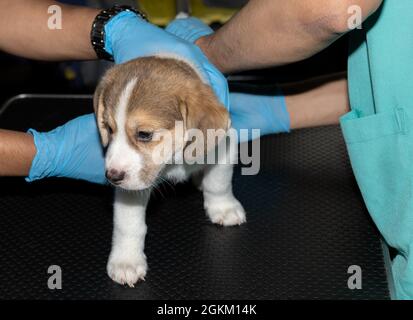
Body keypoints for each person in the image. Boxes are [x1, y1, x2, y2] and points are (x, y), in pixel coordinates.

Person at [7, 0, 413, 300]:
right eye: (109, 129)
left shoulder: (204, 116)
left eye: (143, 135)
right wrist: (44, 152)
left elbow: (219, 148)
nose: (114, 160)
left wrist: (219, 196)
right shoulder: (128, 111)